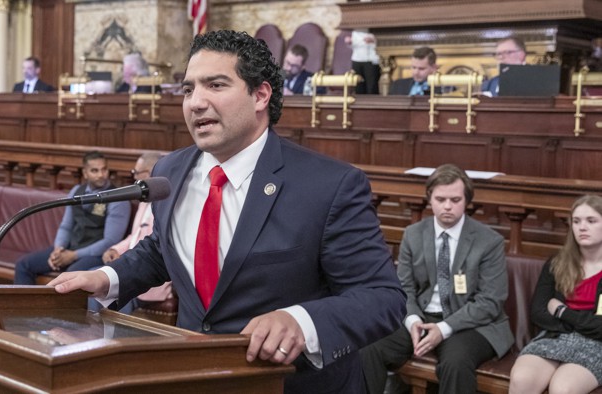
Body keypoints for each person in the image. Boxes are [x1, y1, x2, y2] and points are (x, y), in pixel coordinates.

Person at [48, 30, 406, 393]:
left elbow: (382, 297)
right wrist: (108, 278)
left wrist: (301, 321)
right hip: (196, 377)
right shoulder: (169, 171)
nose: (196, 103)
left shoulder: (329, 185)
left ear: (260, 95)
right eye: (188, 90)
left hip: (291, 384)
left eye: (215, 85)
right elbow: (163, 248)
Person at [361, 164, 514, 394]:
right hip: (422, 317)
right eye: (441, 199)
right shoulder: (413, 234)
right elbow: (403, 288)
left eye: (455, 199)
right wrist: (412, 320)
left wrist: (443, 328)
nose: (448, 206)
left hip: (470, 324)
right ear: (430, 199)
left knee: (455, 363)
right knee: (370, 347)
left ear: (467, 201)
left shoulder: (488, 241)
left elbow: (490, 302)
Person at [509, 195, 602, 394]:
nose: (582, 227)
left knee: (563, 389)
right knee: (521, 379)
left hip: (596, 344)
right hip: (554, 336)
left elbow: (600, 326)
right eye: (576, 221)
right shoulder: (557, 263)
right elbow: (539, 311)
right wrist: (577, 323)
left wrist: (561, 311)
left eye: (591, 221)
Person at [13, 150, 130, 285]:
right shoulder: (76, 191)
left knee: (70, 276)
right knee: (23, 265)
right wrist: (58, 249)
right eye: (95, 171)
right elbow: (66, 226)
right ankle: (28, 306)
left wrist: (73, 255)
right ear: (85, 173)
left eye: (104, 170)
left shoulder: (118, 199)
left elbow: (110, 241)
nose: (101, 175)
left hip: (96, 254)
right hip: (70, 248)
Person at [100, 151, 172, 312]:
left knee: (110, 292)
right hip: (132, 262)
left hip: (151, 275)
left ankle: (109, 336)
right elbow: (135, 235)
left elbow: (155, 245)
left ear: (149, 173)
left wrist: (125, 258)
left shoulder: (167, 203)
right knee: (95, 281)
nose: (134, 177)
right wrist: (115, 249)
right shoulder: (144, 200)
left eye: (136, 173)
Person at [347, 29, 381, 95]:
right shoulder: (355, 31)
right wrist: (349, 42)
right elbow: (351, 45)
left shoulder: (376, 28)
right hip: (357, 59)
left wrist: (374, 40)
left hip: (371, 60)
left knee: (372, 87)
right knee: (358, 85)